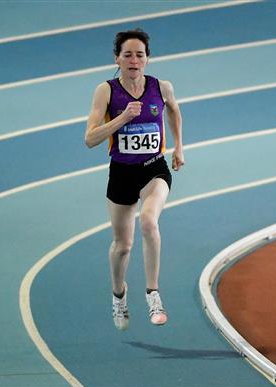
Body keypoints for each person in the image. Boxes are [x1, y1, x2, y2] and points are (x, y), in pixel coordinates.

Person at [85, 28, 184, 330]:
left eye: (139, 54)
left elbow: (175, 113)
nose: (133, 60)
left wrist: (179, 147)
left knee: (149, 222)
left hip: (154, 168)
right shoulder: (106, 91)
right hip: (122, 172)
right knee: (123, 245)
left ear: (148, 59)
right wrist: (122, 119)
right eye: (127, 54)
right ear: (117, 58)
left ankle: (153, 294)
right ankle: (119, 296)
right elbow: (90, 139)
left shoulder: (161, 87)